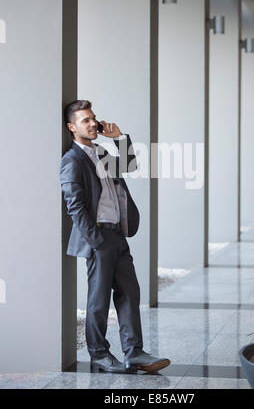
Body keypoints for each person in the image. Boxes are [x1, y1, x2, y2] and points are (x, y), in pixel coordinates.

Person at [60, 100, 170, 374]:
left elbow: (129, 165)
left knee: (130, 293)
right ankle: (99, 354)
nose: (93, 123)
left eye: (93, 118)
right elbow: (74, 206)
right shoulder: (72, 160)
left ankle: (134, 352)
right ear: (72, 127)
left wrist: (119, 137)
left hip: (118, 234)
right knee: (99, 299)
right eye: (85, 120)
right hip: (99, 237)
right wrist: (96, 241)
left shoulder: (100, 151)